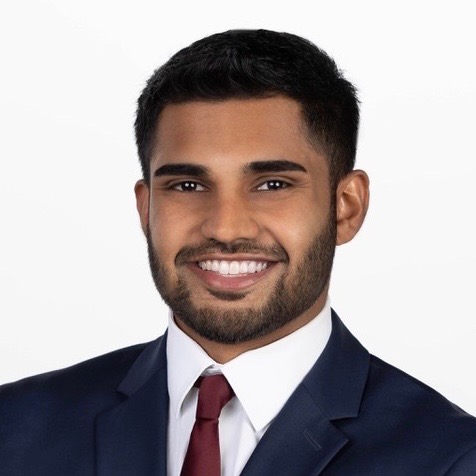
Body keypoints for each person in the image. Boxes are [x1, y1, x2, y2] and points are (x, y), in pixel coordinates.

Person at [0, 29, 475, 476]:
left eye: (273, 184)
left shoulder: (451, 458)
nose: (225, 228)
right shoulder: (13, 428)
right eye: (187, 185)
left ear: (346, 207)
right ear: (146, 209)